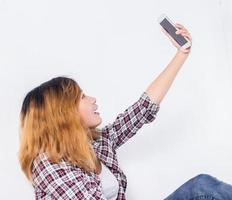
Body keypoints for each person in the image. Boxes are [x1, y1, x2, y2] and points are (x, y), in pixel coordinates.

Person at [18, 23, 232, 200]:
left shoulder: (97, 144)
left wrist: (181, 54)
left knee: (201, 187)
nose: (92, 99)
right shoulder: (49, 166)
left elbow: (142, 109)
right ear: (62, 113)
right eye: (82, 97)